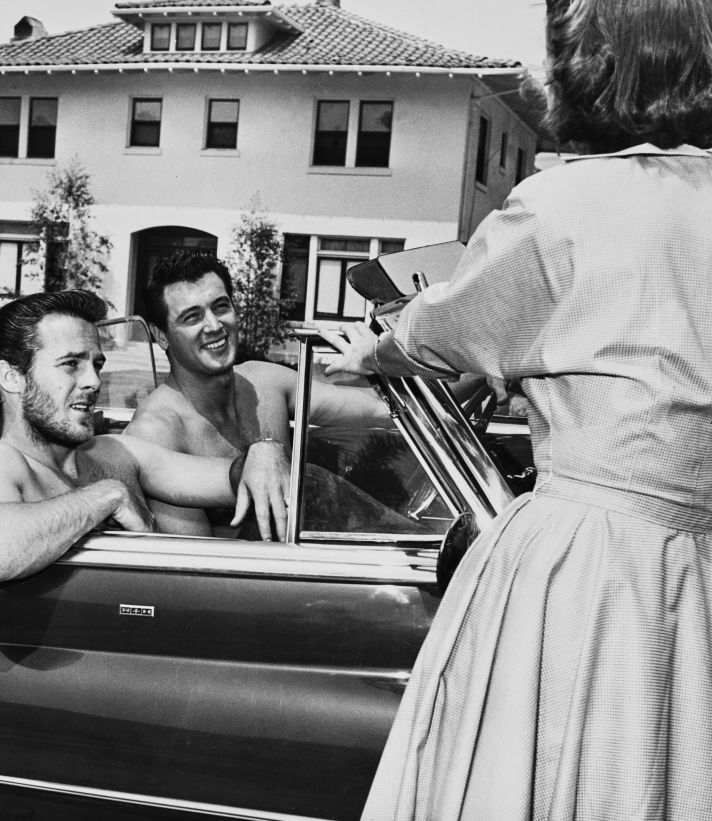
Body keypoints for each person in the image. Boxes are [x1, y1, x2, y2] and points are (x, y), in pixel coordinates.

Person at [322, 0, 712, 817]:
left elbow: (440, 330)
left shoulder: (565, 204)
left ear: (595, 57)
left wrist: (376, 348)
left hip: (591, 564)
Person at [0, 289, 284, 588]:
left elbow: (230, 478)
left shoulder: (113, 453)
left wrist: (261, 454)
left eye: (97, 365)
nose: (94, 382)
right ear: (12, 378)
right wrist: (107, 496)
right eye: (71, 364)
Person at [124, 250, 393, 539]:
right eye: (192, 317)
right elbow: (198, 566)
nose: (214, 326)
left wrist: (384, 357)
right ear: (161, 335)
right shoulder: (156, 433)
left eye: (221, 306)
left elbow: (381, 410)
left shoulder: (265, 381)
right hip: (255, 577)